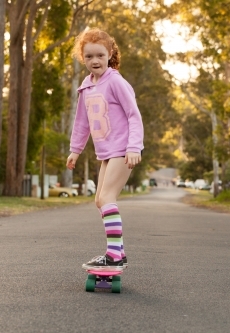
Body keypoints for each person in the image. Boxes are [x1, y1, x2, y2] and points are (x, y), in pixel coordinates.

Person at [66, 28, 144, 271]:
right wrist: (75, 150)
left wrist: (134, 147)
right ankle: (118, 251)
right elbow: (81, 122)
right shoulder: (86, 86)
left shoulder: (116, 81)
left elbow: (134, 115)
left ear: (109, 54)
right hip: (106, 153)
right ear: (83, 58)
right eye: (89, 57)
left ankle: (114, 255)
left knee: (107, 197)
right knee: (100, 200)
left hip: (123, 149)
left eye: (100, 55)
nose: (95, 61)